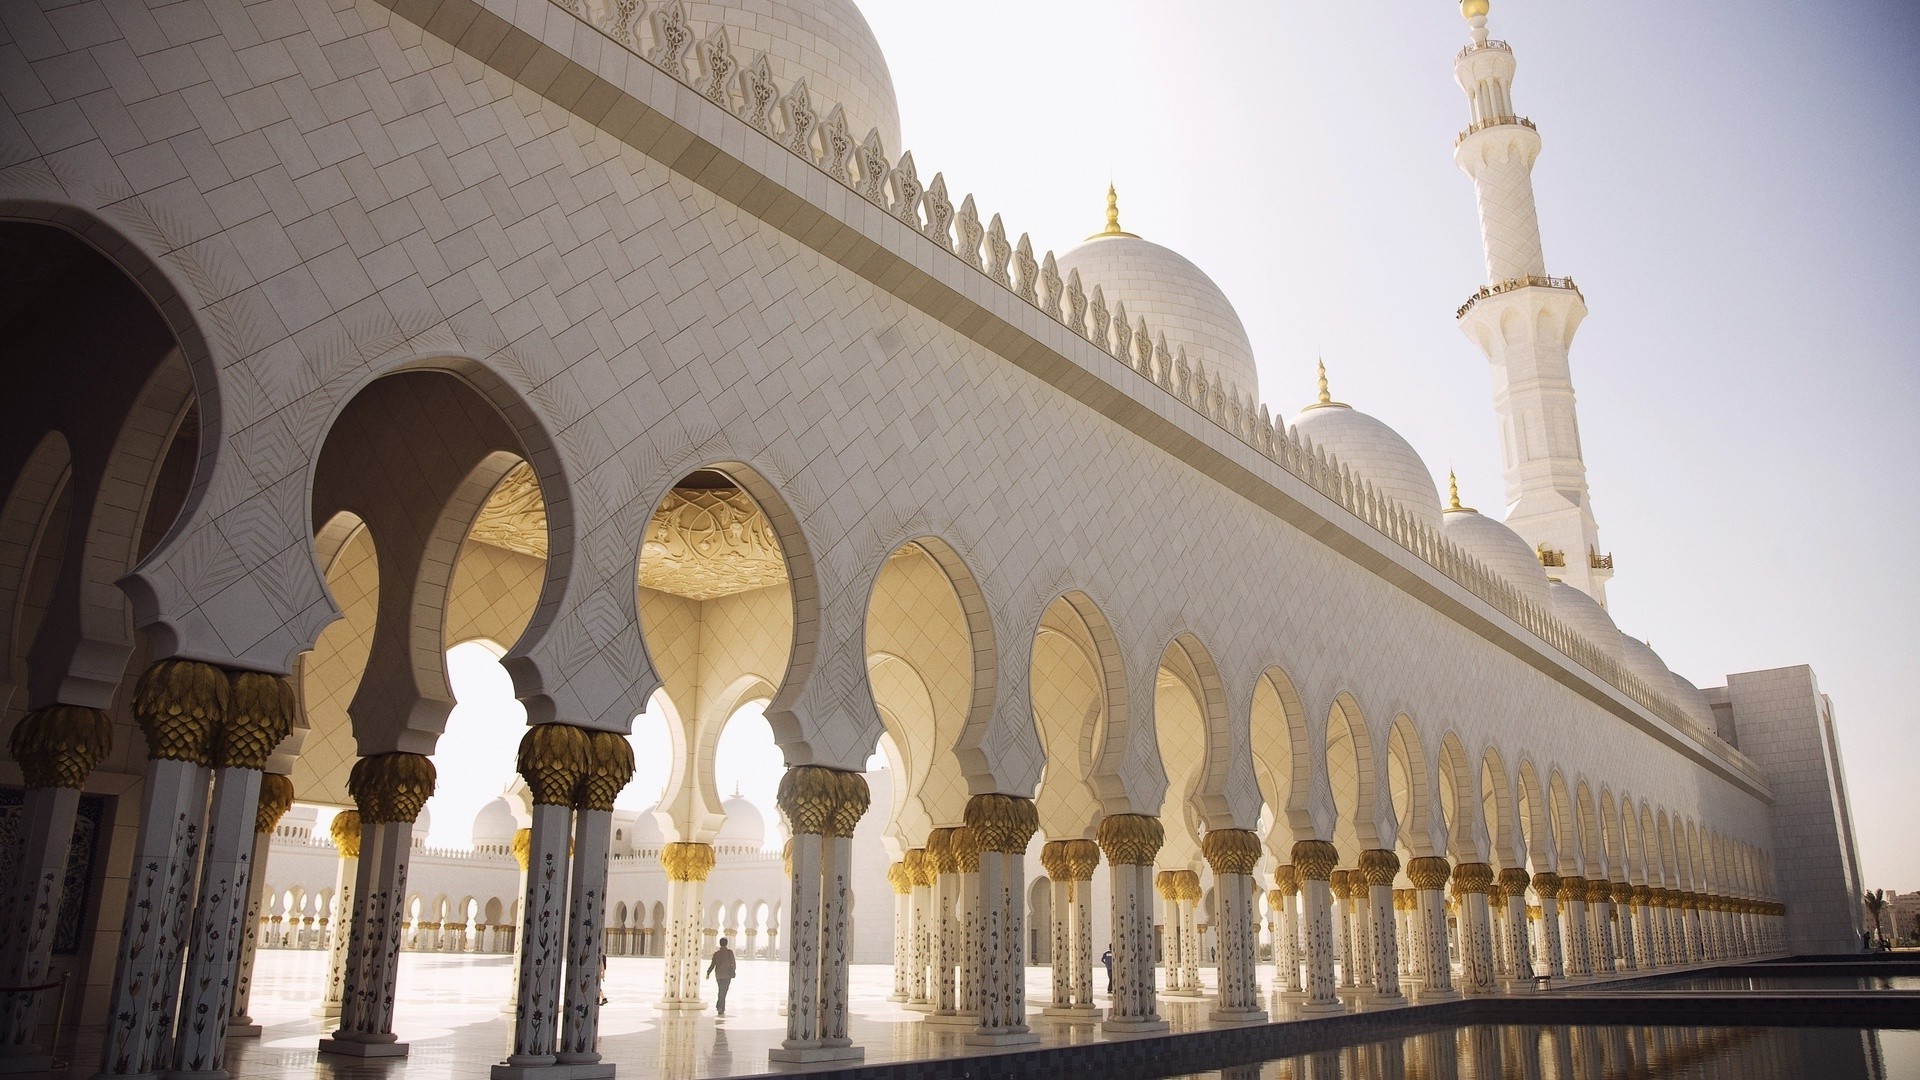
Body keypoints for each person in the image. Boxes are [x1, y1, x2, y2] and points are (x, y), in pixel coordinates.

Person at [707, 937, 737, 1016]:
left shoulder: (716, 953)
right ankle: (720, 1007)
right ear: (726, 943)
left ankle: (720, 1006)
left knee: (721, 990)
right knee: (724, 991)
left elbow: (712, 965)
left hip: (719, 975)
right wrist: (733, 970)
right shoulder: (729, 952)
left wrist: (708, 973)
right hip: (727, 975)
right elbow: (733, 963)